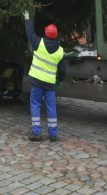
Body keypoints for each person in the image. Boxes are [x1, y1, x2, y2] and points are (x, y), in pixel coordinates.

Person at [24, 11, 65, 142]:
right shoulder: (60, 51)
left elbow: (29, 32)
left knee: (35, 105)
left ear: (46, 33)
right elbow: (62, 70)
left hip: (36, 82)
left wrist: (26, 17)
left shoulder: (38, 43)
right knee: (51, 108)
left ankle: (36, 133)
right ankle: (53, 135)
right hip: (50, 85)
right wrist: (60, 80)